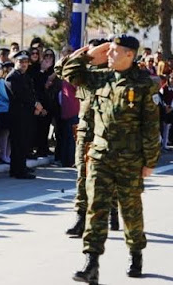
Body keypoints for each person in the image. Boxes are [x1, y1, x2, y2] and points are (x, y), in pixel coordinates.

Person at [59, 35, 160, 282]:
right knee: (96, 208)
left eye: (115, 51)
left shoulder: (144, 84)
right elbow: (68, 71)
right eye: (109, 51)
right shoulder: (100, 77)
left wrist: (149, 161)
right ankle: (91, 263)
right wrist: (93, 52)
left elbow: (151, 126)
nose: (109, 55)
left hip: (130, 159)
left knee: (130, 209)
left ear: (130, 55)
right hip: (101, 155)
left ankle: (136, 253)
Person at [64, 38, 111, 238]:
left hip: (105, 133)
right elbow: (62, 70)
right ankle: (81, 217)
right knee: (82, 175)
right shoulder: (84, 75)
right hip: (85, 131)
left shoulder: (112, 74)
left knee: (109, 177)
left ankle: (114, 211)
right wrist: (81, 55)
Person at [5, 50, 40, 180]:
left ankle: (20, 167)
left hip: (27, 114)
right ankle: (17, 170)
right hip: (17, 115)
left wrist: (36, 104)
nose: (23, 64)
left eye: (25, 62)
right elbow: (19, 95)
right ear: (15, 62)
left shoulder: (25, 76)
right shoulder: (12, 77)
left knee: (24, 142)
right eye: (20, 62)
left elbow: (31, 93)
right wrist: (35, 104)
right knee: (18, 143)